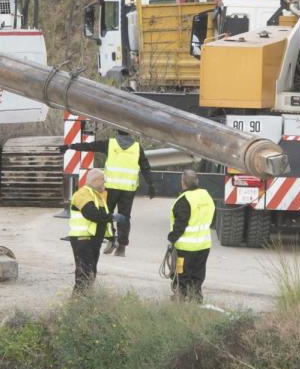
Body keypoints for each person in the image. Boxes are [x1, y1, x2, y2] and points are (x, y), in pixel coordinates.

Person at [60, 129, 155, 257]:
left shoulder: (110, 143)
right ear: (131, 133)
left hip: (110, 187)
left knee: (106, 215)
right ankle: (122, 247)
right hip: (129, 189)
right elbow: (145, 167)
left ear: (117, 131)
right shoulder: (138, 148)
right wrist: (151, 185)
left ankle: (111, 240)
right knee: (125, 217)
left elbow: (89, 147)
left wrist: (70, 146)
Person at [168, 169, 215, 302]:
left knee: (181, 273)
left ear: (183, 183)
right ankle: (196, 297)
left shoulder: (183, 200)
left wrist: (172, 238)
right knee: (198, 274)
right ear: (197, 181)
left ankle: (180, 296)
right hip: (203, 246)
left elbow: (180, 224)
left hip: (185, 248)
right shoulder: (206, 195)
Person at [68, 168, 117, 294]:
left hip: (93, 240)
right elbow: (92, 214)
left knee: (91, 272)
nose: (104, 184)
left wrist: (112, 237)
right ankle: (78, 302)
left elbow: (103, 220)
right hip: (83, 239)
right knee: (85, 272)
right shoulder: (82, 194)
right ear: (95, 180)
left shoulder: (97, 196)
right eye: (103, 181)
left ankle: (85, 300)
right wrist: (112, 217)